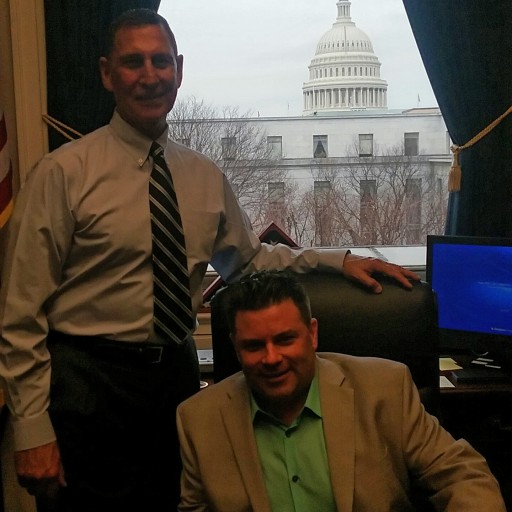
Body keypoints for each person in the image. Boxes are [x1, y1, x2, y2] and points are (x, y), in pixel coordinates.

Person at [0, 8, 419, 512]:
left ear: (179, 69)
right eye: (134, 63)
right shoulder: (61, 174)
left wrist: (337, 260)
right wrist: (31, 429)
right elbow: (20, 316)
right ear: (107, 73)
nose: (150, 76)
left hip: (176, 380)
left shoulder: (202, 175)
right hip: (89, 387)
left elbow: (248, 262)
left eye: (161, 61)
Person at [177, 270, 507, 512]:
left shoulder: (384, 389)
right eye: (253, 346)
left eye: (285, 339)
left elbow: (463, 475)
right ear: (235, 348)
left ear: (312, 334)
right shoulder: (198, 419)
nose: (272, 358)